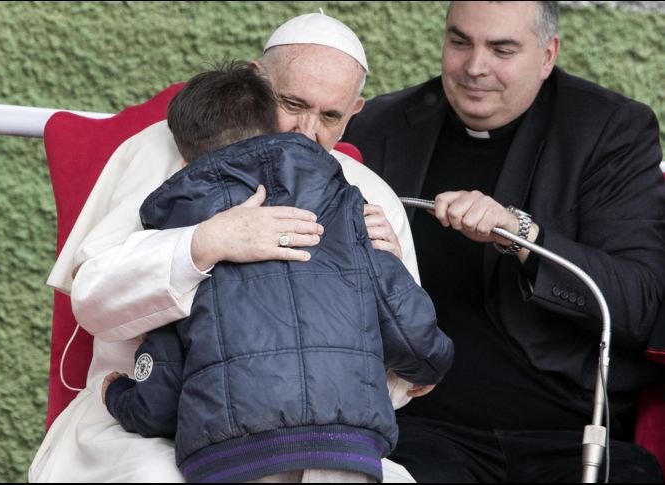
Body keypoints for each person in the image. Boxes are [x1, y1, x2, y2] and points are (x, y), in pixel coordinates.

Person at [30, 13, 424, 483]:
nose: (306, 131)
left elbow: (402, 380)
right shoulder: (166, 150)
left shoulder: (369, 193)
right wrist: (204, 243)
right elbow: (94, 302)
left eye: (330, 116)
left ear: (355, 111)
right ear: (256, 81)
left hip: (317, 433)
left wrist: (391, 272)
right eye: (292, 103)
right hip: (149, 421)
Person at [343, 1, 665, 482]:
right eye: (460, 42)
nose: (475, 67)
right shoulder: (379, 126)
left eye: (502, 49)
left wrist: (523, 236)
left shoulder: (610, 131)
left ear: (547, 54)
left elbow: (640, 304)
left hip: (566, 429)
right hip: (421, 428)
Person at [101, 62, 453, 483]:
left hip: (237, 454)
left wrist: (121, 395)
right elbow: (408, 324)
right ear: (274, 125)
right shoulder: (348, 205)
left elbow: (162, 389)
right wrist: (428, 367)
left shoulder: (186, 228)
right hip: (345, 445)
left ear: (181, 155)